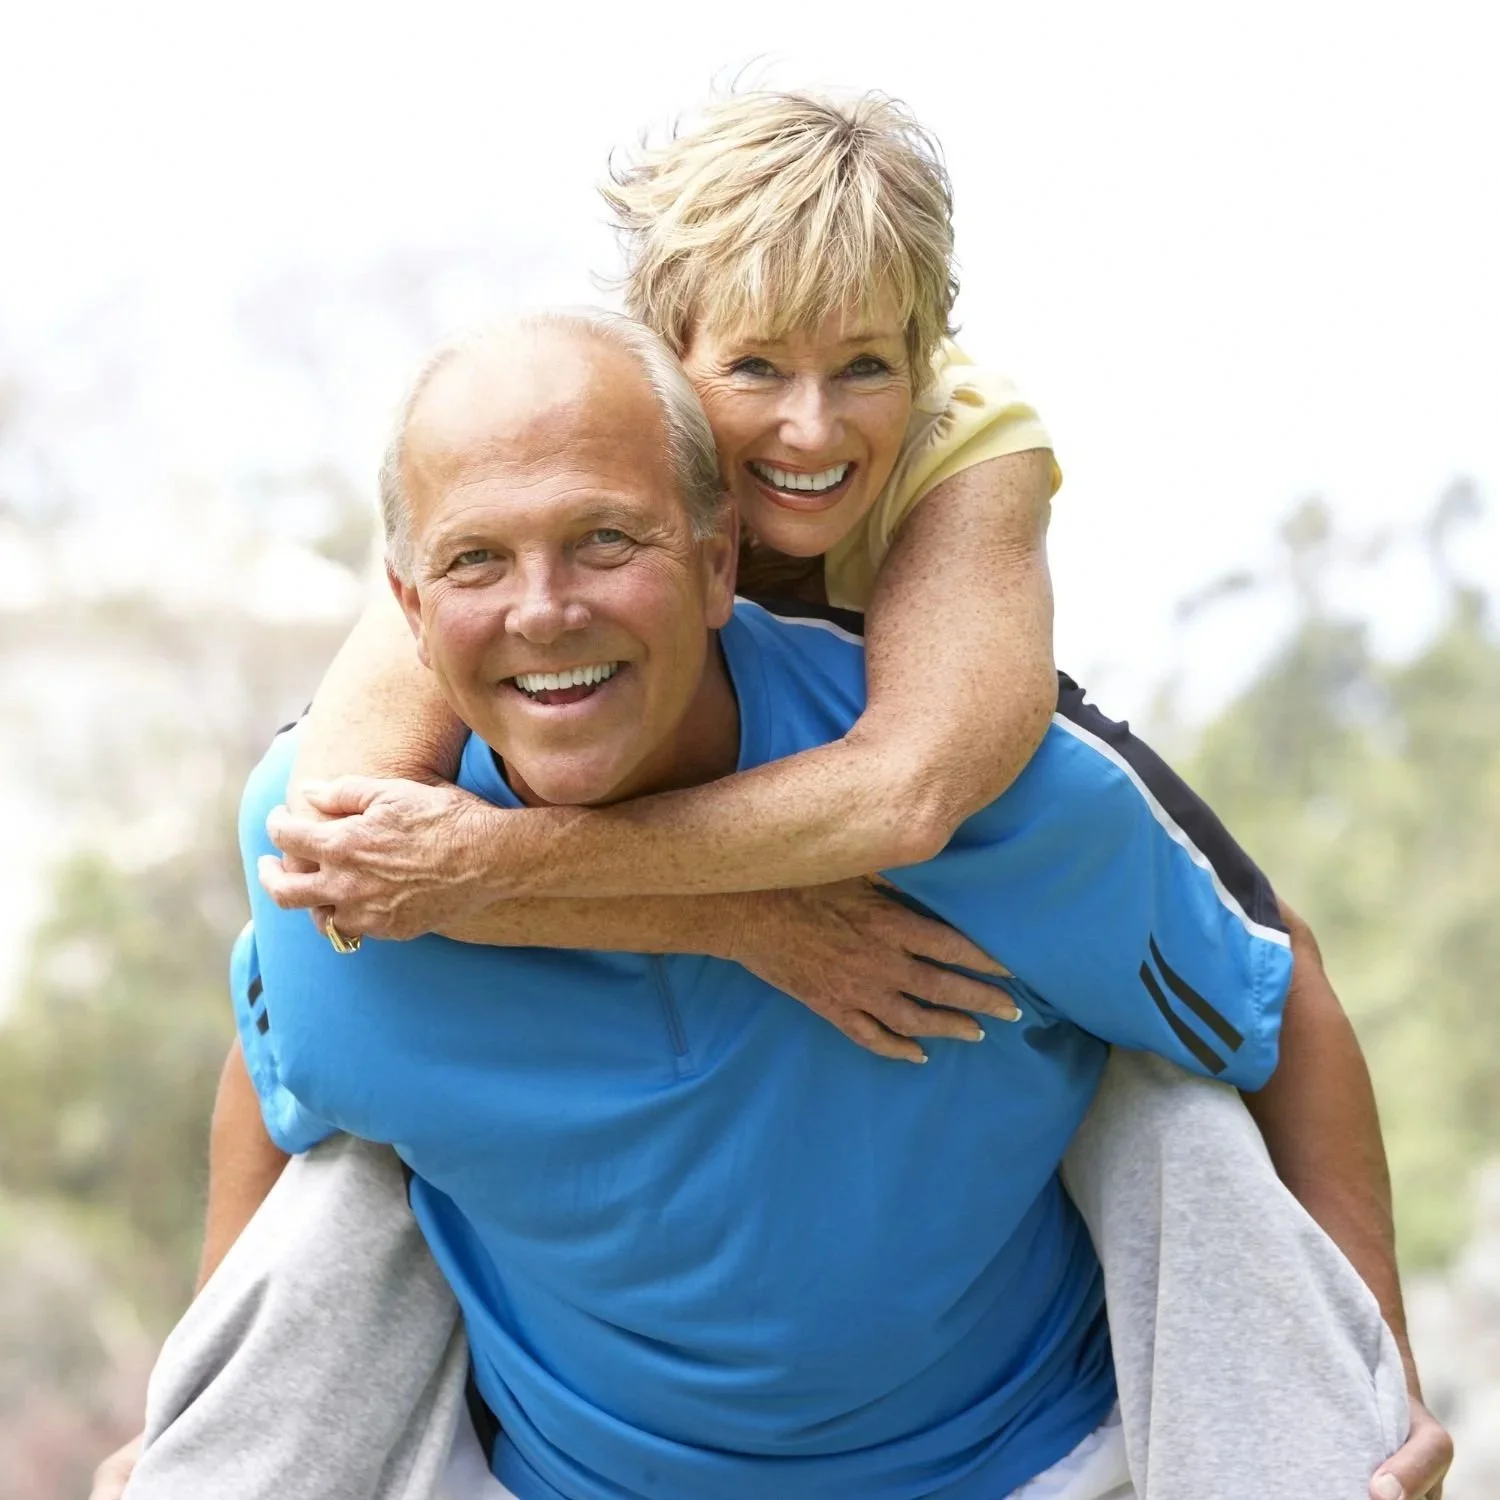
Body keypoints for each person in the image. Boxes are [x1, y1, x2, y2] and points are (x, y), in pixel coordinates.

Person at [119, 310, 1419, 1500]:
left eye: (604, 541)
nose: (544, 610)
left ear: (715, 557)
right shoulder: (347, 845)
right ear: (408, 607)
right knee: (351, 1183)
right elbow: (289, 1067)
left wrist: (1380, 1388)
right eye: (475, 561)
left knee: (1170, 1106)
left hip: (1034, 1465)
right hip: (560, 1479)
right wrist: (189, 1415)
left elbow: (1261, 990)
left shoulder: (998, 791)